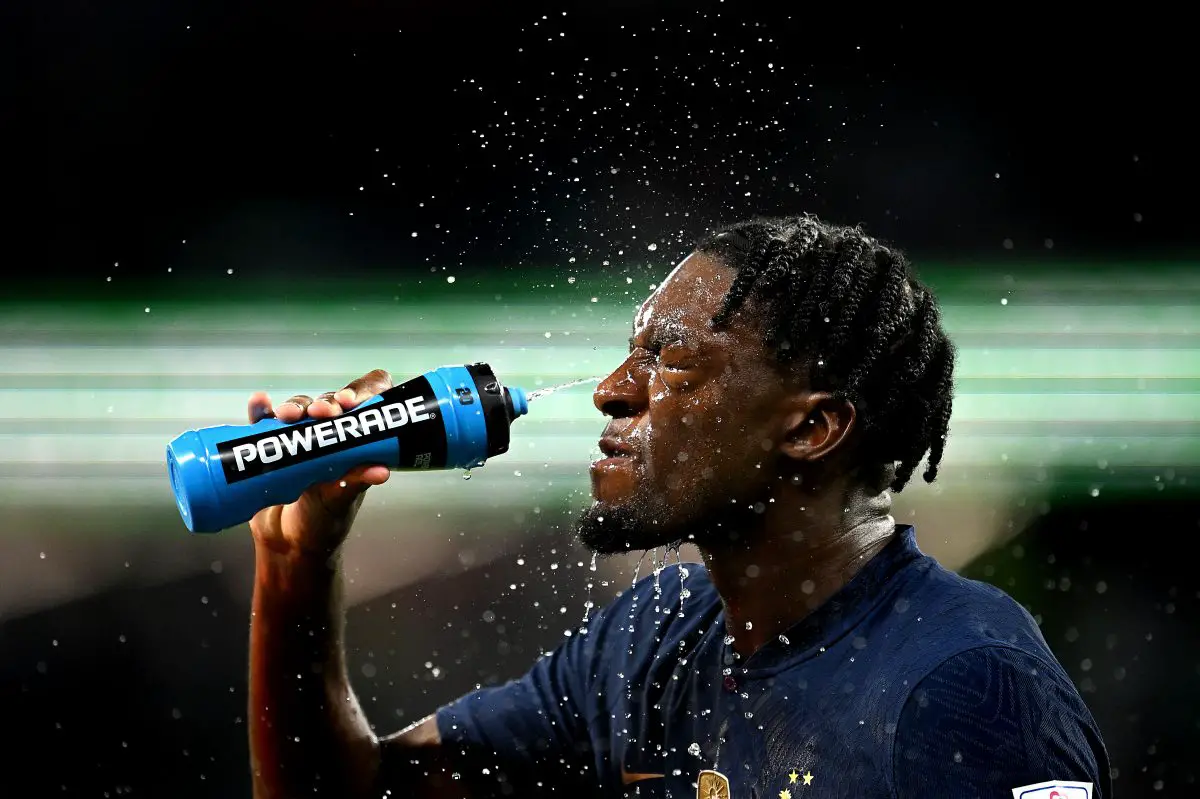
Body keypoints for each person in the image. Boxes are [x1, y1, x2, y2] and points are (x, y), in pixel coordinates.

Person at [244, 215, 1110, 799]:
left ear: (812, 426)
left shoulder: (966, 686)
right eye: (630, 353)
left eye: (670, 359)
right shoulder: (655, 638)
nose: (613, 393)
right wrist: (295, 565)